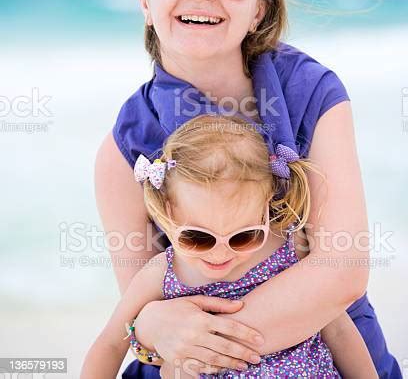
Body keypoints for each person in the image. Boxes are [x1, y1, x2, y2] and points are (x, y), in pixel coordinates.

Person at [95, 0, 401, 377]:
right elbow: (142, 314)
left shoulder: (312, 93)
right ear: (145, 1)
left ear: (259, 6)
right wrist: (151, 331)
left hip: (326, 356)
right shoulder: (122, 149)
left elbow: (341, 271)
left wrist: (206, 353)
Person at [82, 114, 378, 378]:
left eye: (243, 236)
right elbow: (111, 342)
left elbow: (337, 329)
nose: (221, 254)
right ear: (170, 211)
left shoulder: (289, 250)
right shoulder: (162, 274)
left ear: (264, 210)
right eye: (198, 238)